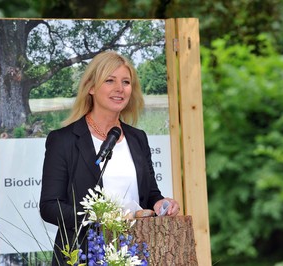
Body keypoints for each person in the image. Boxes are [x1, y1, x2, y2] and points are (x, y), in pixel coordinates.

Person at [39, 50, 180, 265]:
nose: (119, 89)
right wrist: (101, 219)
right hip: (85, 253)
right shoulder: (64, 140)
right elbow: (50, 206)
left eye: (126, 82)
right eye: (110, 80)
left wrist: (162, 204)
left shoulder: (138, 138)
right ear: (92, 87)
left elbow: (150, 193)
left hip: (137, 252)